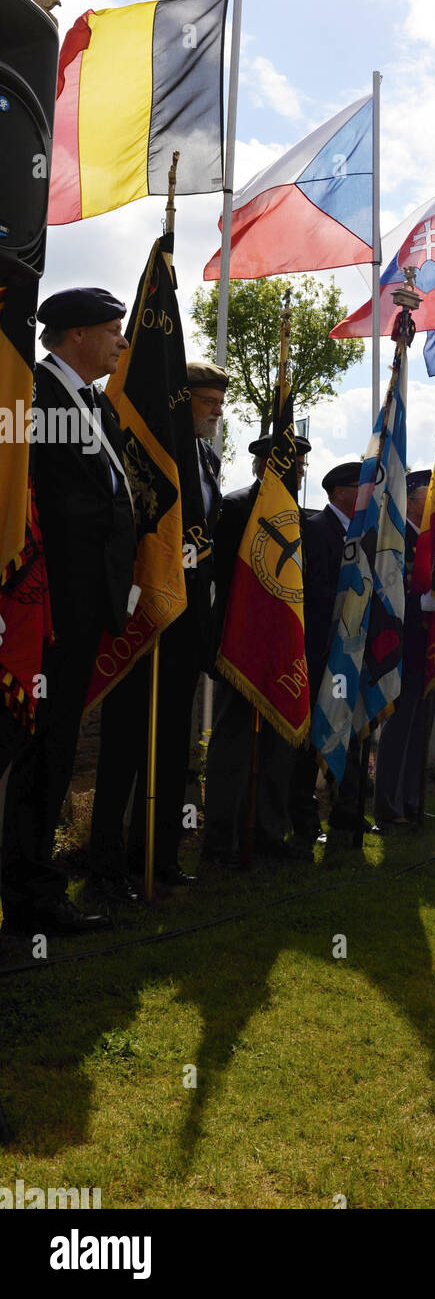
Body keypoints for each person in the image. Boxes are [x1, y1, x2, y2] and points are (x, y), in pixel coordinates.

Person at [1, 288, 136, 932]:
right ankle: (30, 895)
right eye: (112, 330)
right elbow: (50, 505)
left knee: (54, 751)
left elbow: (112, 496)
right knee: (39, 750)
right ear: (75, 335)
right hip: (47, 605)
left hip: (86, 606)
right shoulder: (36, 397)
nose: (120, 342)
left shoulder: (96, 406)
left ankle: (36, 886)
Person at [89, 361, 227, 898]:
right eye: (208, 401)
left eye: (219, 402)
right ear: (182, 399)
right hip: (143, 617)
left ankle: (158, 856)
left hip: (188, 621)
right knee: (124, 742)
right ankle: (104, 867)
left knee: (173, 744)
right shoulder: (145, 450)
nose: (217, 412)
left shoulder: (207, 457)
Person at [200, 429, 311, 867]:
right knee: (233, 741)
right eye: (292, 464)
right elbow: (222, 579)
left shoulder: (295, 514)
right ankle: (221, 840)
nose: (299, 471)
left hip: (282, 645)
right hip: (239, 642)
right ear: (265, 465)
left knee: (279, 746)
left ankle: (268, 831)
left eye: (301, 465)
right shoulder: (235, 507)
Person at [293, 460, 367, 842]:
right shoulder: (316, 529)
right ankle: (304, 820)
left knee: (350, 732)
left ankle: (347, 812)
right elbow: (312, 588)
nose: (365, 495)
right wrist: (351, 600)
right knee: (315, 735)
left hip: (352, 649)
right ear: (340, 492)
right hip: (322, 649)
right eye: (359, 488)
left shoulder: (362, 533)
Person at [373, 469, 435, 828]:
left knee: (420, 728)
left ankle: (412, 799)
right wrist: (419, 605)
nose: (433, 502)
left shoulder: (434, 540)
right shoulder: (398, 539)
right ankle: (387, 805)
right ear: (411, 501)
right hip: (403, 646)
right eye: (427, 495)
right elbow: (388, 591)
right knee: (399, 729)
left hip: (429, 648)